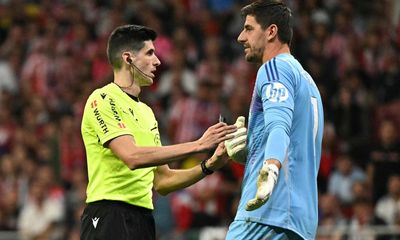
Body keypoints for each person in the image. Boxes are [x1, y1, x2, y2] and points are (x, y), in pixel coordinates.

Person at [79, 24, 244, 240]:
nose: (157, 61)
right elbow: (132, 156)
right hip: (109, 215)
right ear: (128, 58)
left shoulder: (147, 113)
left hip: (143, 219)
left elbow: (163, 181)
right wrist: (198, 144)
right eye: (149, 53)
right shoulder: (102, 99)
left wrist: (208, 165)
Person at [226, 1, 324, 240]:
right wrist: (251, 152)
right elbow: (293, 142)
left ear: (271, 31)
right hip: (301, 222)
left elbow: (278, 126)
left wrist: (269, 170)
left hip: (267, 215)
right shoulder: (308, 83)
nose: (240, 37)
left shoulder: (274, 69)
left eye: (249, 29)